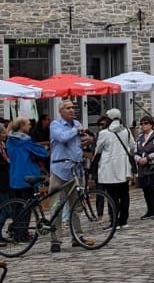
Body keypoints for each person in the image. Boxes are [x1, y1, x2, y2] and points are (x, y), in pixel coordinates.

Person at [48, 99, 88, 253]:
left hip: (75, 171)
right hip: (59, 170)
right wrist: (76, 131)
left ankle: (77, 236)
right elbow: (62, 138)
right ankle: (55, 240)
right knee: (56, 207)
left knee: (76, 206)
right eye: (68, 108)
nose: (72, 110)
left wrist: (86, 141)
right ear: (61, 111)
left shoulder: (76, 124)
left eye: (73, 107)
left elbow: (76, 144)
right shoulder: (55, 125)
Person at [92, 108, 133, 230]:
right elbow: (132, 146)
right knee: (124, 194)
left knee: (112, 196)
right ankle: (123, 220)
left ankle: (114, 221)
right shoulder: (126, 131)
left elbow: (98, 149)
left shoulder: (104, 133)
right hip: (123, 167)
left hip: (109, 167)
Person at [135, 114, 154, 220]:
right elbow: (135, 152)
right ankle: (149, 210)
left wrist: (147, 158)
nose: (143, 125)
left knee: (153, 187)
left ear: (151, 124)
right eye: (142, 124)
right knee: (145, 188)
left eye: (146, 123)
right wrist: (139, 159)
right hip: (142, 167)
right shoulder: (139, 138)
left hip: (153, 165)